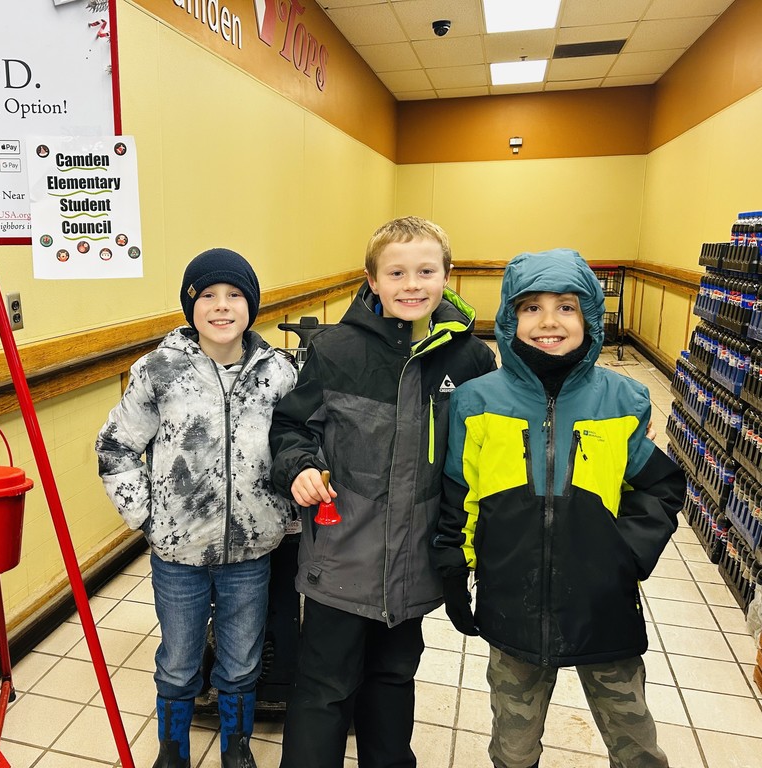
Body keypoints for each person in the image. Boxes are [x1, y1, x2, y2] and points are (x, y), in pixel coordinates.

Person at [432, 248, 686, 768]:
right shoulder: (476, 401)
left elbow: (659, 488)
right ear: (508, 318)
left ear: (589, 316)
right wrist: (455, 566)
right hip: (512, 601)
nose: (549, 322)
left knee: (634, 738)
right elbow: (459, 492)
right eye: (531, 308)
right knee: (513, 741)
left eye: (566, 307)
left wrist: (626, 557)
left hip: (603, 605)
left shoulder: (624, 399)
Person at [270, 216, 497, 768]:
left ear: (448, 275)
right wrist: (298, 466)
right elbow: (291, 427)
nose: (411, 284)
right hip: (341, 553)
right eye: (396, 272)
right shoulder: (335, 350)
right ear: (372, 280)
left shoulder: (469, 360)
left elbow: (490, 447)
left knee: (393, 678)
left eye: (426, 270)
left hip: (415, 559)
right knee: (325, 685)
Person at [96, 247, 297, 768]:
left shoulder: (278, 372)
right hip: (178, 553)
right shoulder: (158, 371)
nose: (222, 306)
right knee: (180, 662)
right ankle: (173, 751)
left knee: (241, 662)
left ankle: (237, 748)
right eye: (207, 295)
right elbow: (115, 448)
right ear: (191, 306)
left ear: (251, 305)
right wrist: (148, 517)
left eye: (234, 295)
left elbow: (301, 445)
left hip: (252, 551)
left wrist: (284, 516)